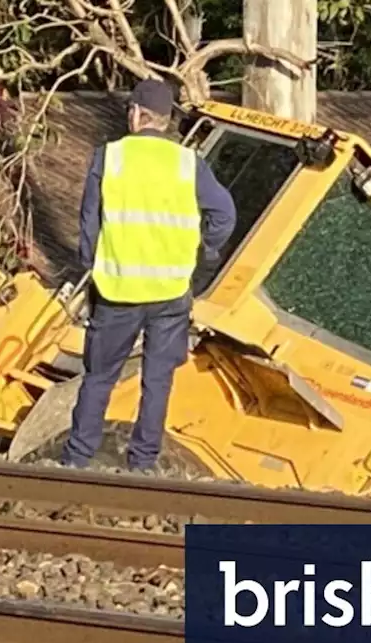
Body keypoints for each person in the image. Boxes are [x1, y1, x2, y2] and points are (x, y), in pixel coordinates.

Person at [61, 78, 237, 472]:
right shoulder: (187, 163)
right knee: (157, 381)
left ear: (137, 114)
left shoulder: (109, 158)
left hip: (116, 288)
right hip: (171, 292)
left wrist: (93, 264)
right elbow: (224, 214)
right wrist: (203, 254)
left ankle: (76, 460)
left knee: (99, 378)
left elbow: (89, 222)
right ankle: (142, 464)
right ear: (165, 120)